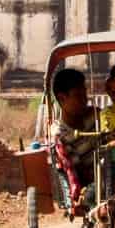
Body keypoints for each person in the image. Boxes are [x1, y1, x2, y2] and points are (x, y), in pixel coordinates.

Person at [49, 66, 95, 206]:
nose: (85, 100)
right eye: (78, 96)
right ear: (62, 98)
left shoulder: (96, 116)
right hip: (93, 183)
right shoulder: (59, 134)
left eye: (85, 94)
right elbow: (76, 169)